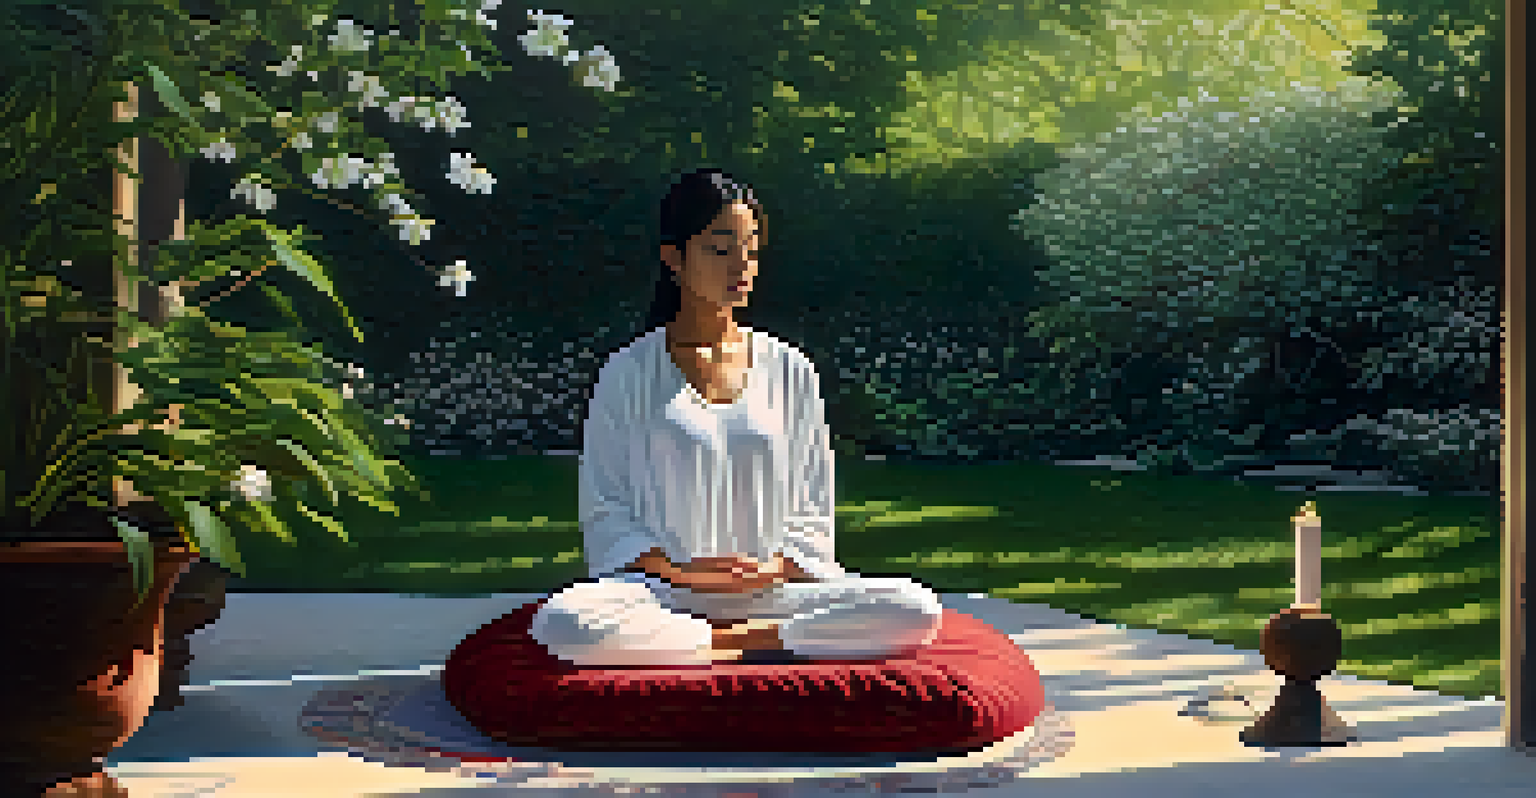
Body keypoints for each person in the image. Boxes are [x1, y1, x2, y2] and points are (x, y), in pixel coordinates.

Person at [529, 167, 944, 667]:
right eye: (721, 249)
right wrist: (682, 575)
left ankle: (725, 642)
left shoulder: (789, 368)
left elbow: (814, 503)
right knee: (565, 624)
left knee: (914, 609)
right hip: (660, 592)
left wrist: (775, 567)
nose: (741, 265)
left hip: (771, 589)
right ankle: (750, 642)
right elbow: (605, 506)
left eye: (750, 249)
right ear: (674, 259)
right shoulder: (628, 373)